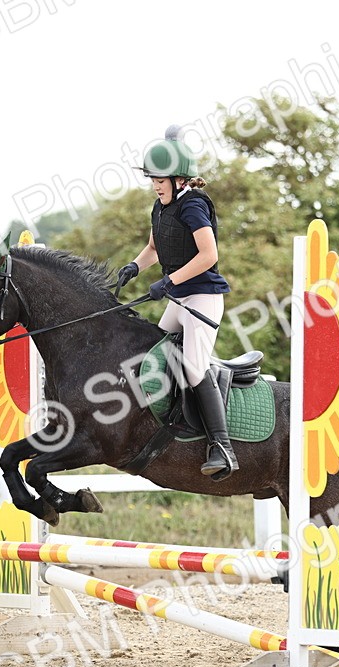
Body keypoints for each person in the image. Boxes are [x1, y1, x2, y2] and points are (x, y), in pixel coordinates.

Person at [116, 125, 238, 480]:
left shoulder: (194, 206)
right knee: (152, 354)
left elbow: (209, 255)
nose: (155, 186)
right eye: (153, 180)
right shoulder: (160, 207)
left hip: (202, 297)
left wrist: (170, 281)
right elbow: (154, 248)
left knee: (194, 367)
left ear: (179, 179)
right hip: (180, 298)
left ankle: (222, 447)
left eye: (160, 180)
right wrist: (134, 266)